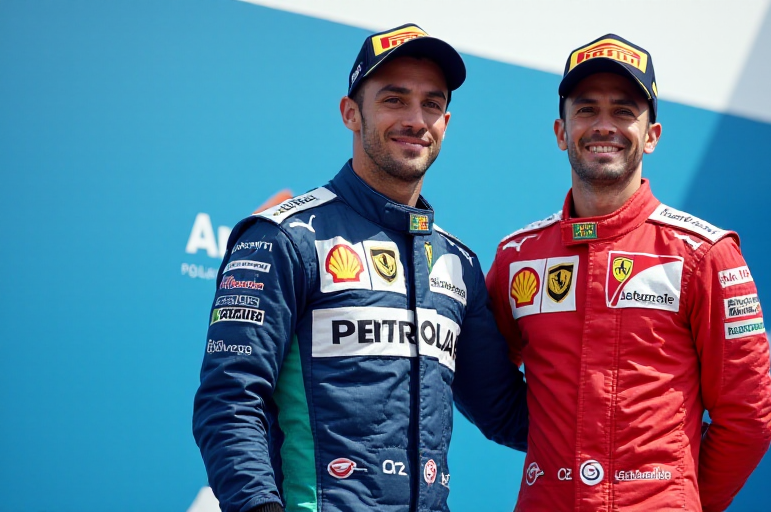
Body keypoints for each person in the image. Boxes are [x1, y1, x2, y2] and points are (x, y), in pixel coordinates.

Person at [193, 24, 528, 512]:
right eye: (394, 99)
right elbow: (229, 401)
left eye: (431, 104)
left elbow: (506, 413)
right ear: (351, 113)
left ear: (446, 124)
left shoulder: (457, 264)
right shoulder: (284, 236)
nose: (416, 119)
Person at [485, 34, 771, 512]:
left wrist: (675, 499)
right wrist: (559, 445)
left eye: (623, 111)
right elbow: (485, 385)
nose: (604, 126)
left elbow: (748, 418)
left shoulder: (704, 253)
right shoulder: (519, 255)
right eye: (586, 110)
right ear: (561, 131)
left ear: (652, 136)